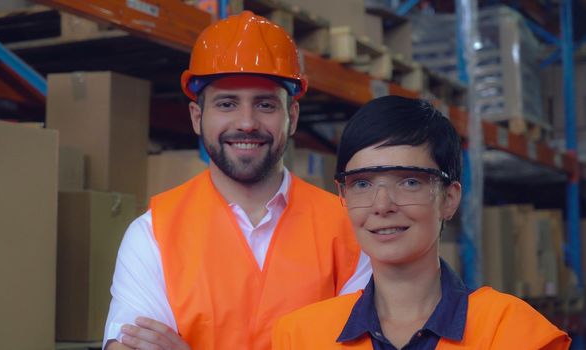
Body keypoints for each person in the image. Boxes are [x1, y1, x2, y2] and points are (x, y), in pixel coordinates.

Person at [103, 11, 371, 350]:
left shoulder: (349, 230)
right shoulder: (153, 234)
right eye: (227, 103)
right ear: (197, 117)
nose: (246, 122)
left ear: (292, 117)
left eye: (265, 104)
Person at [272, 96, 571, 349]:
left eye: (409, 182)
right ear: (343, 195)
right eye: (362, 184)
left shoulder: (511, 334)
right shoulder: (301, 337)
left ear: (449, 198)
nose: (382, 205)